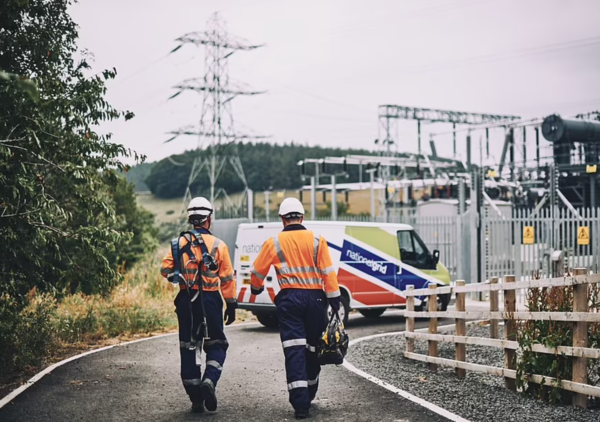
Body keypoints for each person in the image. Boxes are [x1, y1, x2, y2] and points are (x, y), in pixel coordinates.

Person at [250, 197, 341, 420]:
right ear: (301, 217)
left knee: (294, 349)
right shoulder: (318, 240)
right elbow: (328, 273)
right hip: (315, 299)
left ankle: (300, 404)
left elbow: (256, 273)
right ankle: (310, 390)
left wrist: (255, 289)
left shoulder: (274, 242)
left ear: (282, 219)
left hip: (289, 299)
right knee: (313, 347)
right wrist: (335, 301)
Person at [160, 197, 237, 413]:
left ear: (191, 219)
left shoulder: (178, 244)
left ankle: (196, 398)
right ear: (208, 219)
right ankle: (209, 381)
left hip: (186, 300)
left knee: (189, 346)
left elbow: (165, 270)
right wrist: (231, 303)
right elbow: (228, 278)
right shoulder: (219, 245)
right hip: (211, 300)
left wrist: (180, 273)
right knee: (217, 344)